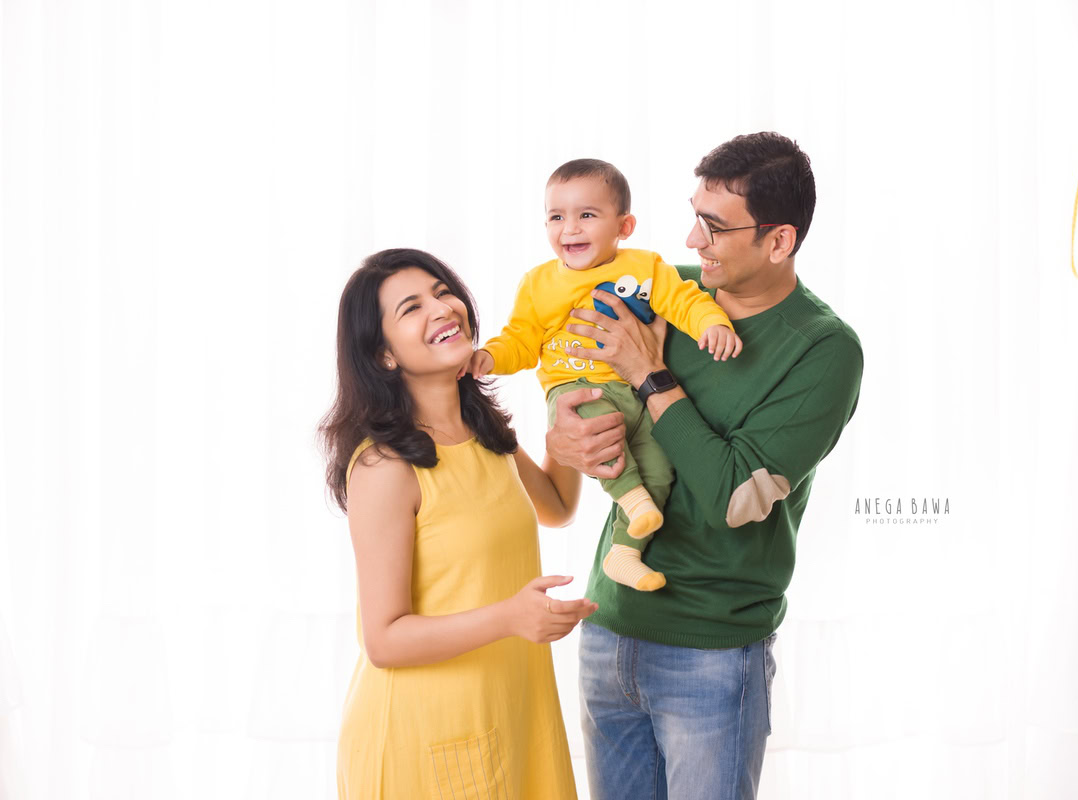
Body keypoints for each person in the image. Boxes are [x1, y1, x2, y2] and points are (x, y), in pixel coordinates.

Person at [546, 132, 865, 799]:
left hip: (712, 653)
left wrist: (649, 373)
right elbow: (572, 372)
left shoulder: (823, 349)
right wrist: (565, 434)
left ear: (779, 241)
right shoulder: (659, 290)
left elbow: (733, 498)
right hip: (607, 627)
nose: (693, 241)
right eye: (695, 217)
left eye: (715, 227)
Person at [319, 248, 596, 799]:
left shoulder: (479, 429)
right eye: (411, 308)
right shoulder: (385, 467)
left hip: (509, 712)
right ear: (384, 355)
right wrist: (511, 617)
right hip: (427, 734)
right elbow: (384, 640)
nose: (442, 308)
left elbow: (556, 506)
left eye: (443, 292)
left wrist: (564, 430)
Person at [464, 158, 742, 592]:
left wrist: (713, 323)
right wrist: (489, 357)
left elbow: (686, 301)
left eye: (587, 215)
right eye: (556, 217)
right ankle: (631, 498)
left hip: (638, 394)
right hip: (576, 389)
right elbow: (520, 339)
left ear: (624, 226)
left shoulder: (647, 268)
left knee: (659, 467)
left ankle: (625, 552)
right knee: (601, 436)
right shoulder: (538, 284)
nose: (570, 229)